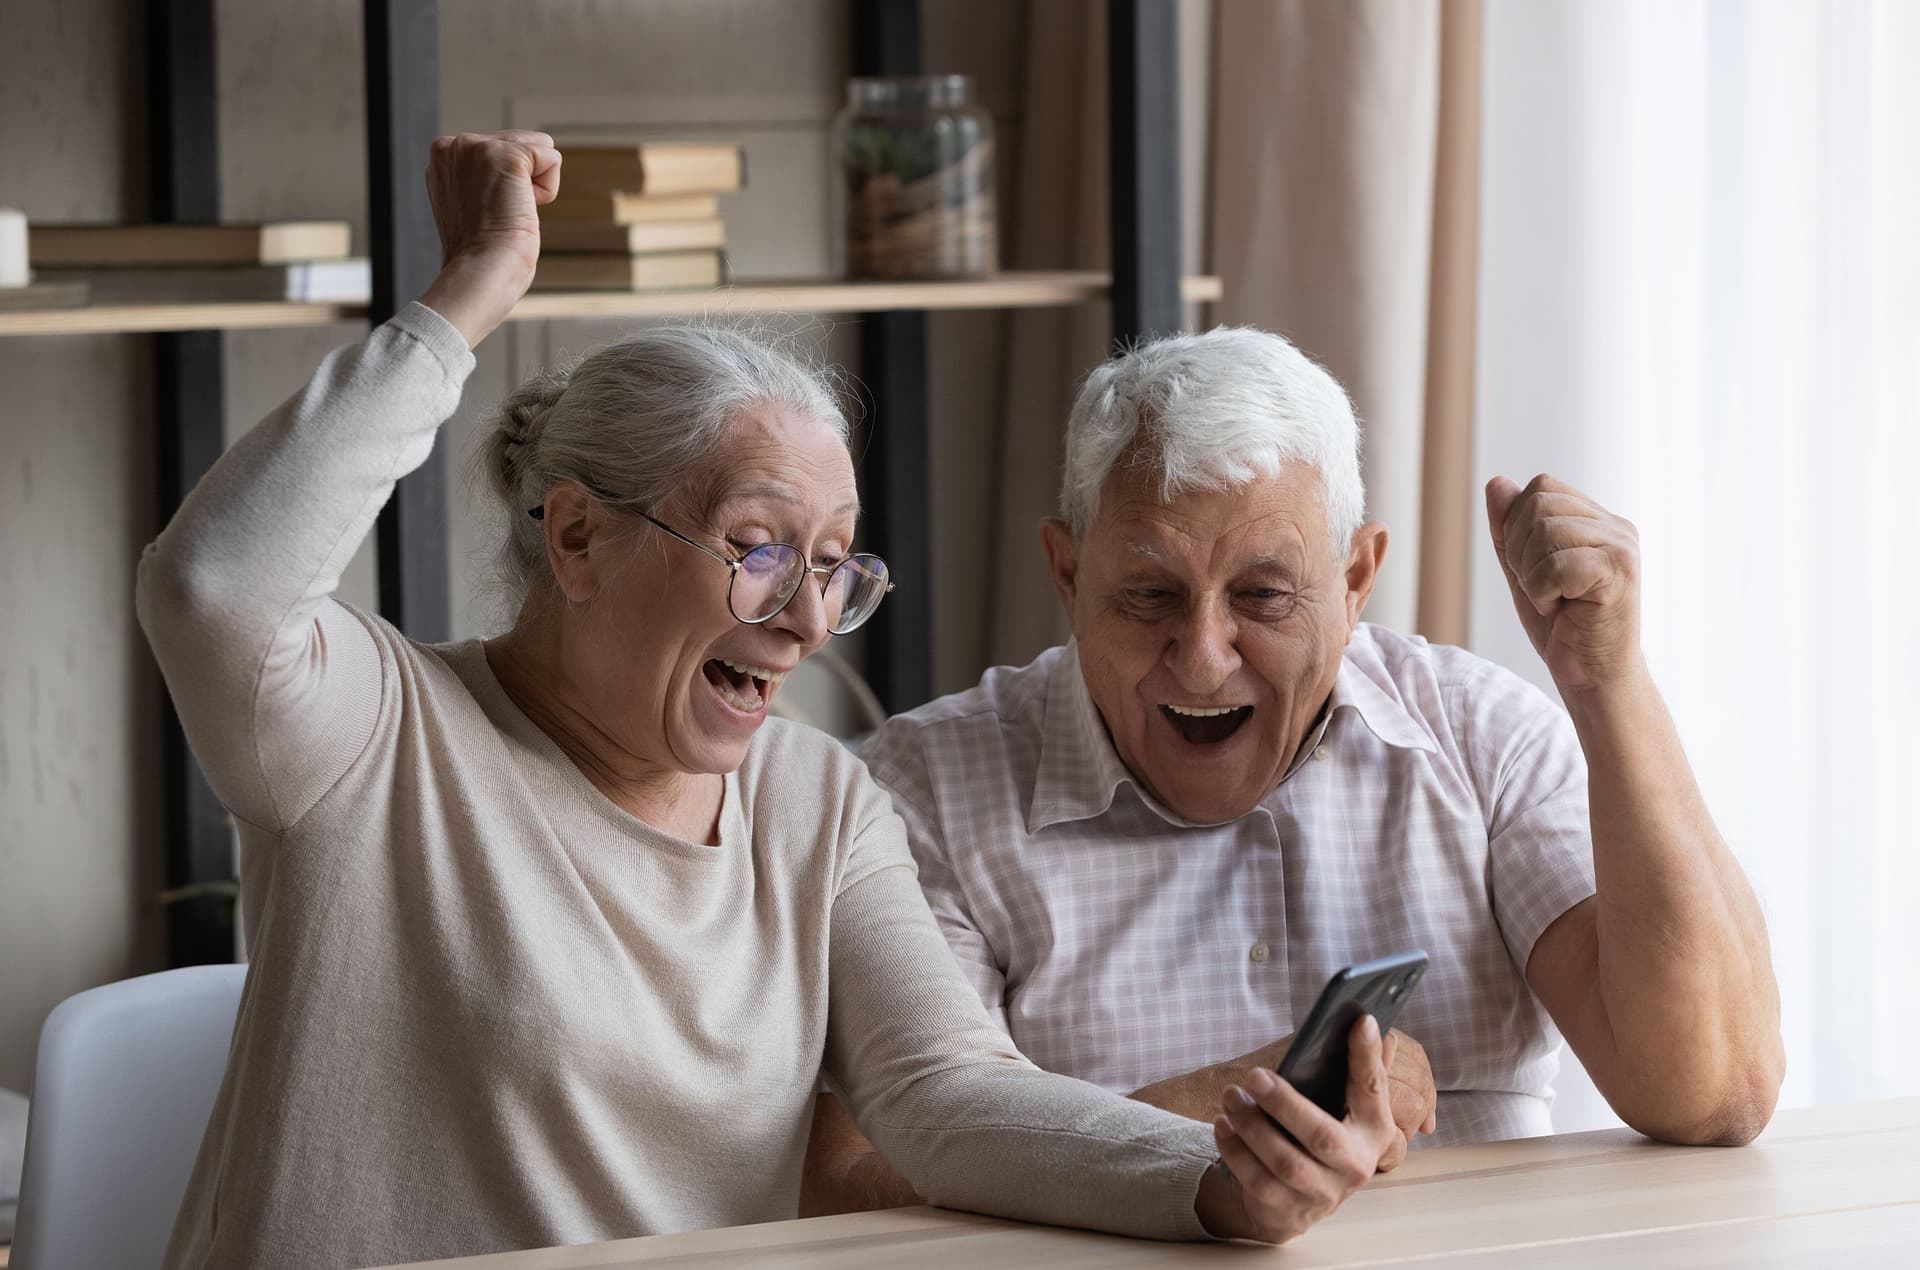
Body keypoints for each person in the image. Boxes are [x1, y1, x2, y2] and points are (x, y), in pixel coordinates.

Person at [136, 133, 1404, 1269]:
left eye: (835, 565)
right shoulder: (373, 734)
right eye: (757, 548)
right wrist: (466, 299)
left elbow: (949, 1094)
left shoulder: (816, 802)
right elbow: (211, 588)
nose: (805, 617)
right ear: (576, 540)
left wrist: (1219, 1186)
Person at [802, 326, 1785, 1213]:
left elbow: (1716, 1092)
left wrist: (1607, 684)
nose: (1203, 655)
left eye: (1265, 596)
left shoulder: (1480, 737)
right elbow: (847, 1176)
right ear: (1068, 574)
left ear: (1356, 581)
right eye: (1149, 595)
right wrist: (1227, 1112)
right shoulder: (925, 790)